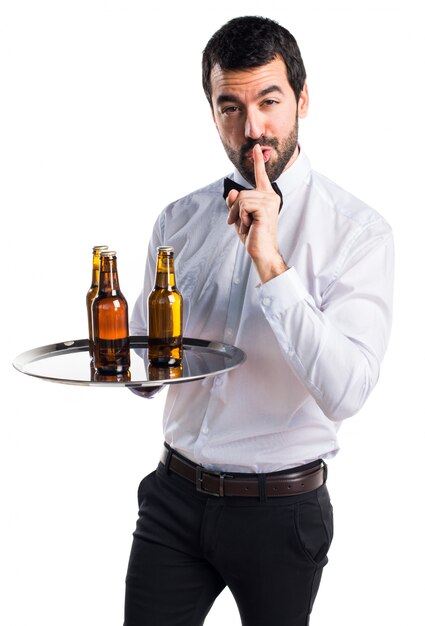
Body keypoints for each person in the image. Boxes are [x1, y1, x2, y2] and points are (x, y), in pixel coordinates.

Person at [124, 15, 394, 626]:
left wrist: (271, 263)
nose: (253, 128)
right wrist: (125, 356)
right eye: (231, 107)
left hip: (280, 511)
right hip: (174, 497)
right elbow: (148, 368)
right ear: (212, 112)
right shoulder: (179, 220)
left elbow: (347, 390)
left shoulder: (358, 233)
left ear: (301, 99)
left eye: (269, 101)